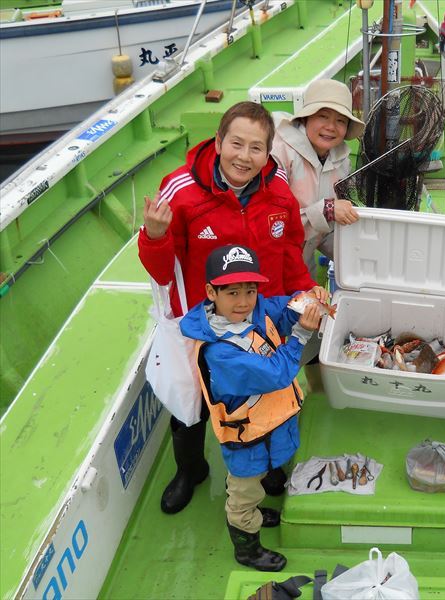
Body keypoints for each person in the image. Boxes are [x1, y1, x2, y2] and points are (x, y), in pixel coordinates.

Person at [139, 101, 326, 515]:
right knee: (193, 403)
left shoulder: (278, 189)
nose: (244, 156)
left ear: (268, 153)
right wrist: (154, 236)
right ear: (219, 141)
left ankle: (269, 465)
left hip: (261, 317)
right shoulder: (181, 191)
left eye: (256, 148)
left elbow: (290, 250)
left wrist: (306, 290)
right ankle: (191, 469)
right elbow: (161, 271)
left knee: (265, 396)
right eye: (236, 144)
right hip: (201, 325)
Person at [180, 244, 322, 571]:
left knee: (263, 476)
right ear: (210, 292)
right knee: (244, 494)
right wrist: (302, 333)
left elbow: (281, 311)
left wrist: (306, 300)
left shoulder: (252, 311)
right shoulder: (220, 353)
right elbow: (277, 374)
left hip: (269, 424)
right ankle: (247, 548)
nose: (243, 301)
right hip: (245, 437)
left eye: (250, 290)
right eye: (232, 292)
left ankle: (256, 515)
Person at [270, 78, 365, 277]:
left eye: (340, 121)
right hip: (270, 264)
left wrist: (361, 259)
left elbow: (324, 231)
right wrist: (327, 209)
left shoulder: (341, 160)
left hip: (303, 268)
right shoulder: (279, 152)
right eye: (323, 116)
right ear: (306, 118)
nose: (331, 127)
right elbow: (272, 223)